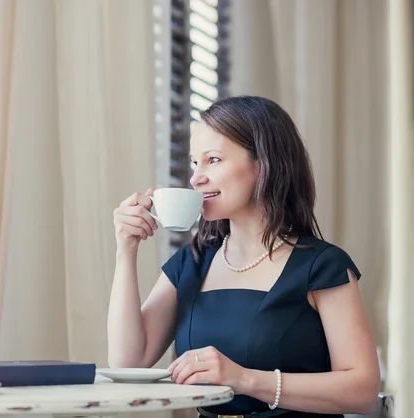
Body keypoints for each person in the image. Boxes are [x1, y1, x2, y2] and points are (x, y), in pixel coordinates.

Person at [108, 96, 380, 418]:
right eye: (195, 163)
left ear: (264, 163)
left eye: (213, 160)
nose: (196, 178)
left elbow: (362, 391)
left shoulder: (322, 267)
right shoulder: (191, 263)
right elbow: (128, 360)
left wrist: (245, 379)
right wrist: (126, 250)